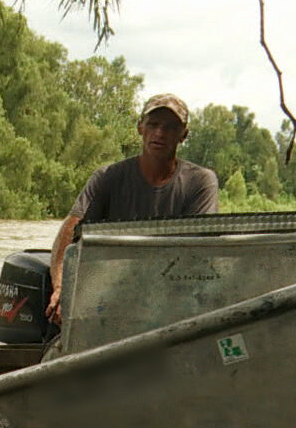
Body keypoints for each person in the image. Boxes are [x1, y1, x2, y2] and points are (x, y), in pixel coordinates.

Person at [46, 93, 220, 323]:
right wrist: (61, 287)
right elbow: (71, 230)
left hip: (173, 296)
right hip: (108, 292)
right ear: (140, 128)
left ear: (183, 136)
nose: (159, 133)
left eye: (169, 128)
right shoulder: (107, 177)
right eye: (153, 125)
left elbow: (200, 251)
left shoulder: (200, 182)